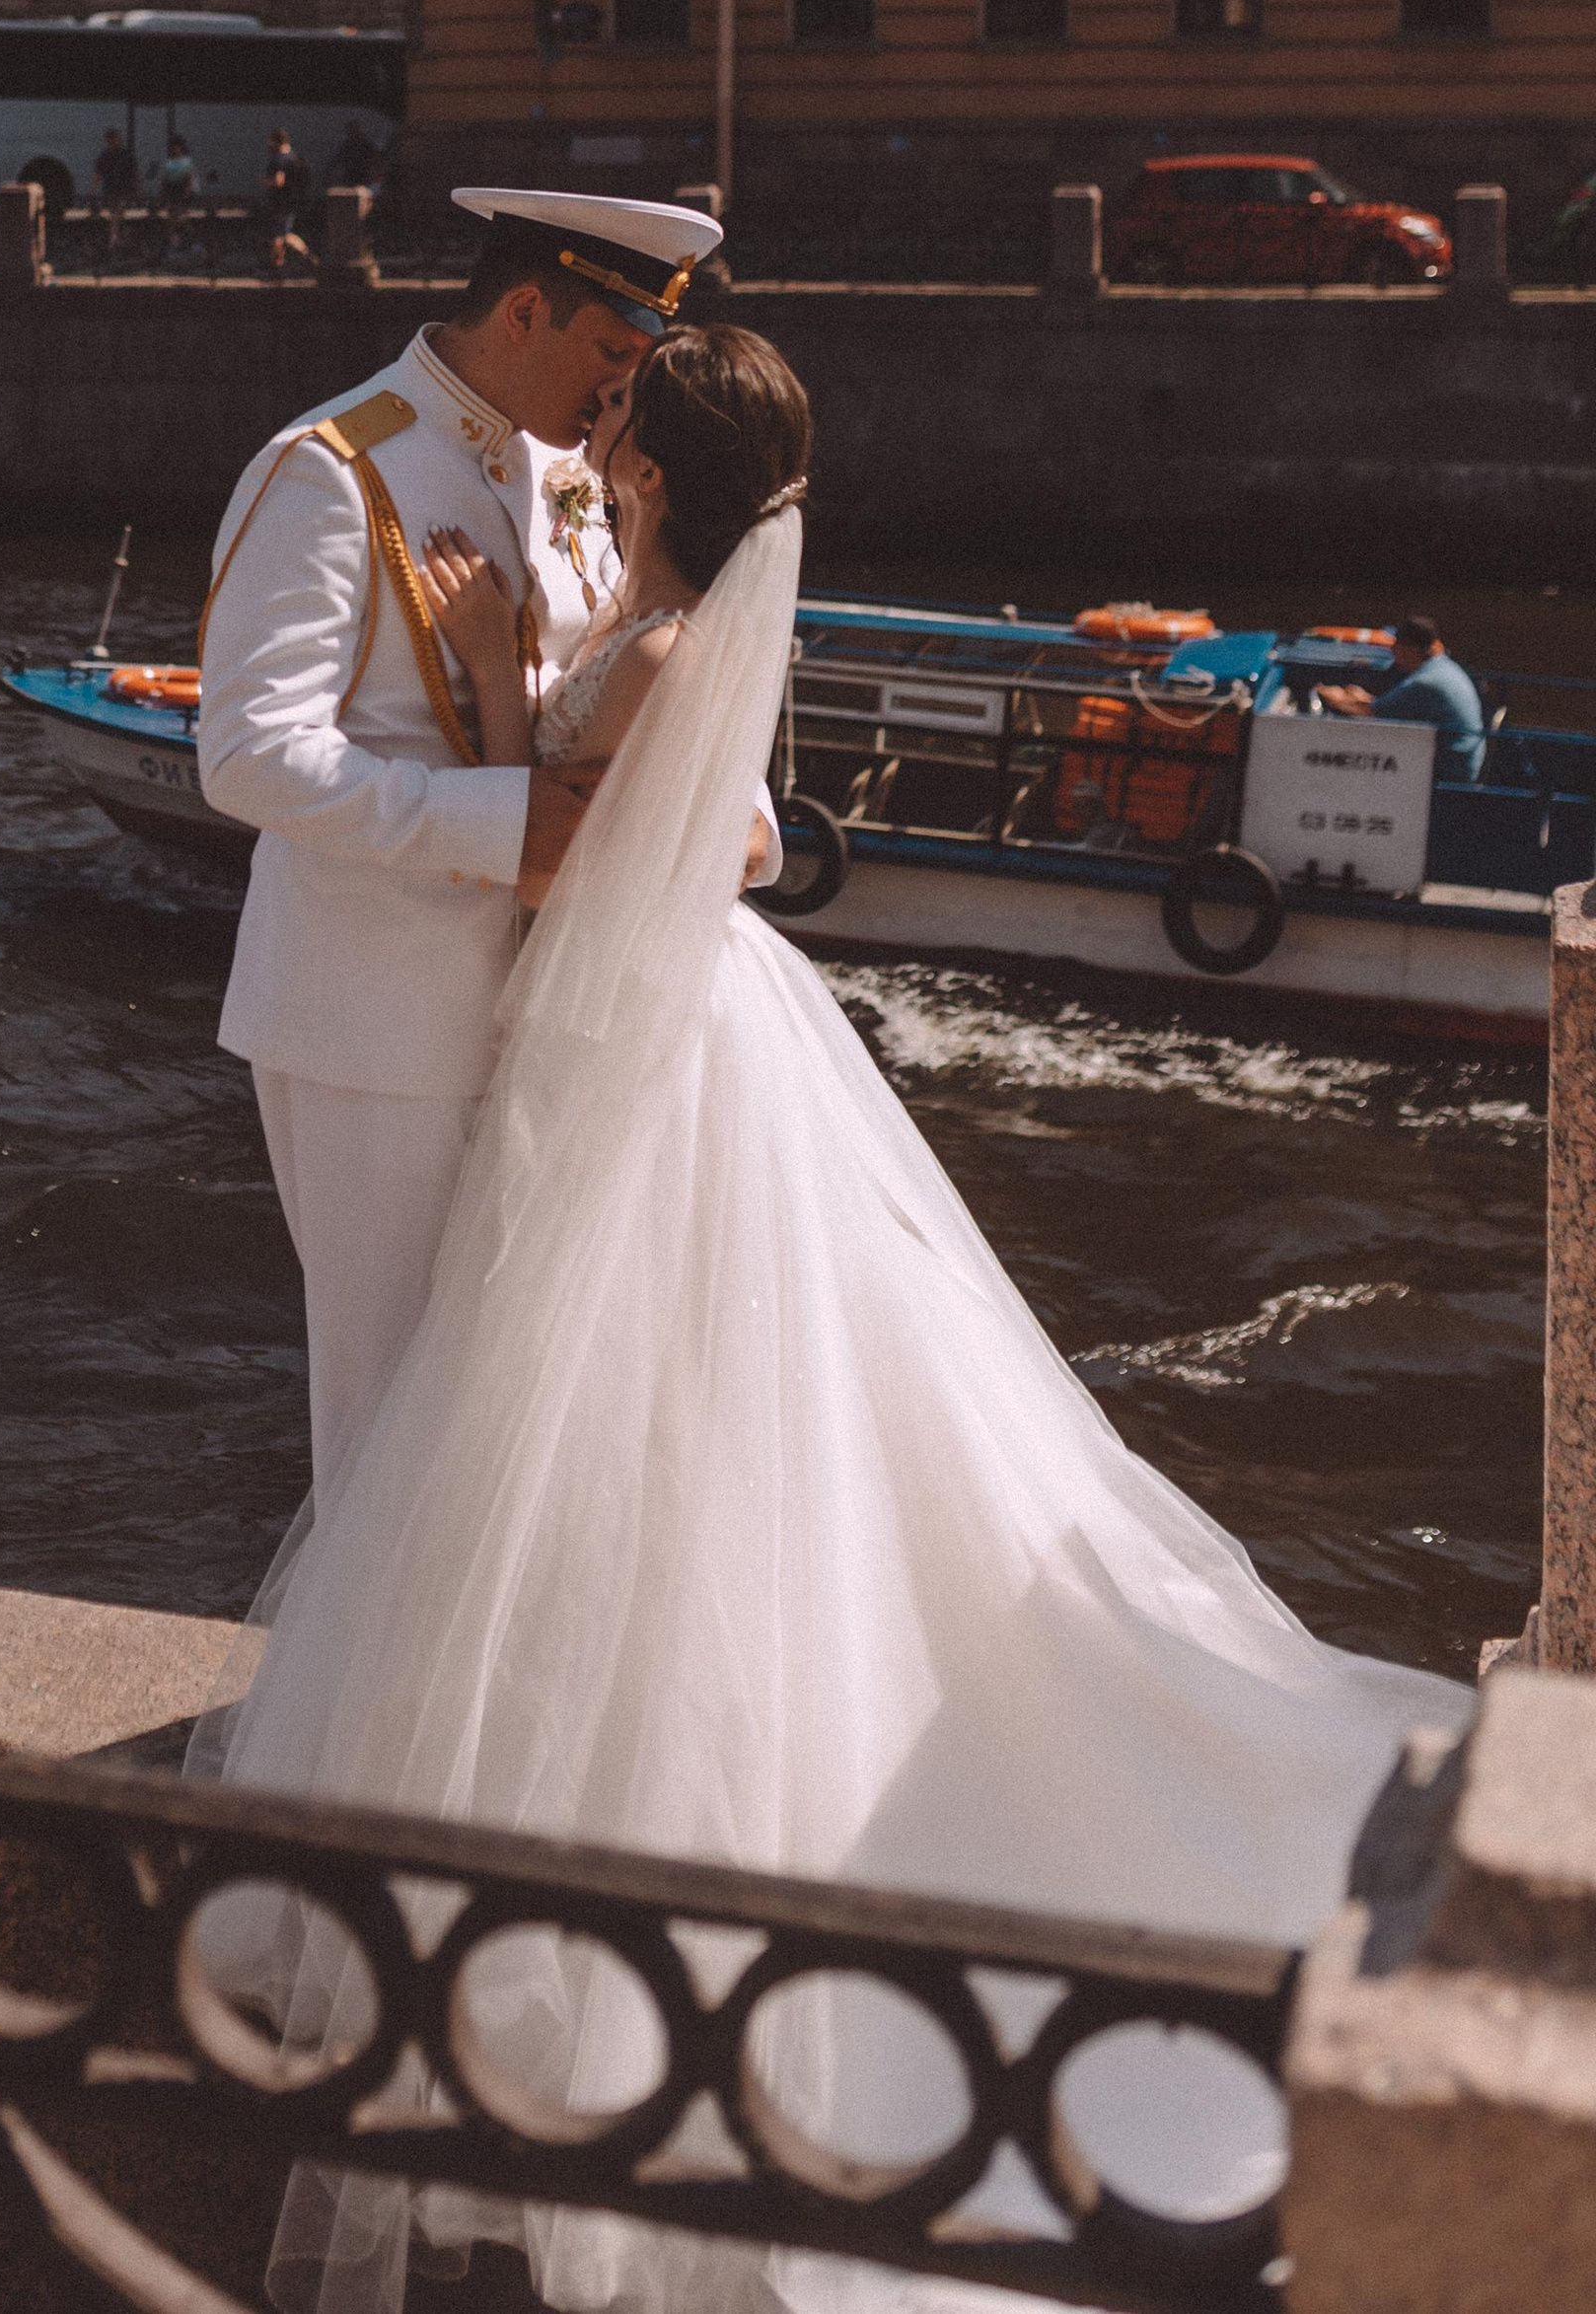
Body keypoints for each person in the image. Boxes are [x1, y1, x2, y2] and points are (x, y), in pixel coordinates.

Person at [199, 324, 1471, 2314]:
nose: (587, 426)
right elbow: (743, 837)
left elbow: (619, 850)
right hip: (703, 1019)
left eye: (616, 418)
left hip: (624, 1036)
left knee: (597, 1409)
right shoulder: (702, 621)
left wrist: (516, 716)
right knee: (672, 1409)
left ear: (646, 464)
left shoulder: (656, 642)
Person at [195, 186, 735, 1505]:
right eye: (611, 350)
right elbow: (248, 753)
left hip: (559, 1019)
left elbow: (626, 674)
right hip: (376, 1018)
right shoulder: (333, 470)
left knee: (532, 1415)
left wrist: (716, 816)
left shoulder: (575, 473)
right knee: (392, 1415)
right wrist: (501, 827)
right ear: (527, 309)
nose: (623, 386)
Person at [1317, 614, 1487, 781]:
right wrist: (1362, 698)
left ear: (1412, 650)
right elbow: (1390, 706)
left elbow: (1370, 713)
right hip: (1463, 758)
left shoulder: (1424, 682)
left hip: (1451, 769)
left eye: (1396, 645)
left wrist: (1335, 698)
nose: (1392, 650)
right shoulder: (1442, 666)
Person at [261, 123, 314, 280]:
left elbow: (279, 181)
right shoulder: (295, 158)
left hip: (280, 203)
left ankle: (278, 268)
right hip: (294, 202)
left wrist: (265, 182)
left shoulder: (279, 160)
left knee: (278, 236)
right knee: (285, 235)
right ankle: (307, 256)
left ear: (275, 141)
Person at [92, 125, 142, 261]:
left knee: (117, 214)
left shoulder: (125, 155)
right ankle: (118, 241)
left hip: (124, 190)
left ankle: (114, 241)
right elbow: (98, 175)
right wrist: (92, 191)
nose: (113, 141)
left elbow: (135, 173)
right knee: (116, 214)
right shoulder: (105, 157)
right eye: (111, 139)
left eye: (115, 139)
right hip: (111, 191)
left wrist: (138, 189)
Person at [155, 131, 199, 261]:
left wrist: (187, 194)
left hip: (182, 194)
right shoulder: (168, 163)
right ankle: (174, 246)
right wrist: (163, 196)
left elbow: (190, 179)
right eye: (173, 147)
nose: (175, 149)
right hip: (172, 194)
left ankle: (192, 244)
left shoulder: (186, 161)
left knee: (180, 219)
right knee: (172, 221)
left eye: (177, 146)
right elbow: (164, 181)